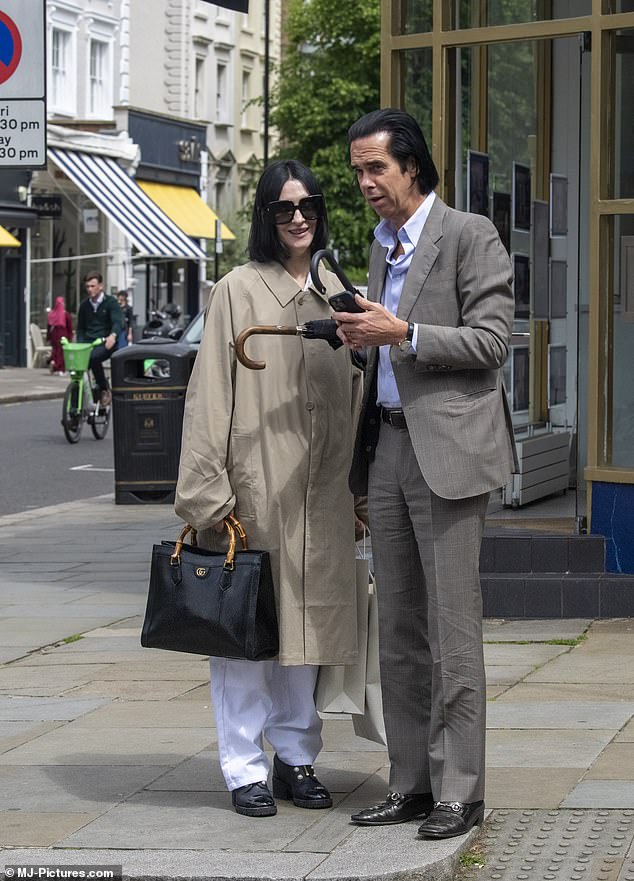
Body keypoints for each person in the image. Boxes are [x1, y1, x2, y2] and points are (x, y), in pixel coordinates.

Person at [335, 109, 516, 840]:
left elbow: (493, 340)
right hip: (388, 451)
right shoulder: (381, 246)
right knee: (398, 633)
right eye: (357, 172)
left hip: (449, 456)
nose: (365, 183)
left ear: (412, 165)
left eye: (375, 168)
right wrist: (360, 340)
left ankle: (461, 790)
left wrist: (402, 332)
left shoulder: (470, 235)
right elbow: (386, 352)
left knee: (452, 630)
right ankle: (410, 782)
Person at [174, 160, 363, 819]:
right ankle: (243, 766)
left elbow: (362, 389)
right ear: (265, 216)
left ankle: (296, 755)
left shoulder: (337, 288)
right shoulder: (237, 290)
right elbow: (208, 396)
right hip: (255, 489)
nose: (299, 217)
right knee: (245, 633)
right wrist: (208, 494)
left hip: (321, 490)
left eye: (308, 204)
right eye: (284, 208)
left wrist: (358, 487)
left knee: (306, 634)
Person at [76, 271, 123, 407]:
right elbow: (81, 328)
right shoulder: (85, 305)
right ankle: (74, 410)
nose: (90, 289)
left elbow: (118, 321)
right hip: (88, 343)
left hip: (105, 342)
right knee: (76, 367)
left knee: (93, 358)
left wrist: (113, 335)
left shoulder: (111, 302)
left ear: (100, 286)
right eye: (87, 287)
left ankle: (103, 389)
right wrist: (79, 343)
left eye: (92, 286)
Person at [46, 296, 73, 375]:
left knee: (55, 351)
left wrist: (48, 337)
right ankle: (60, 369)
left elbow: (49, 326)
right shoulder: (66, 314)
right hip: (63, 335)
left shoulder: (51, 314)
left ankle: (53, 364)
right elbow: (69, 327)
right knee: (62, 352)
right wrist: (70, 337)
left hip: (54, 334)